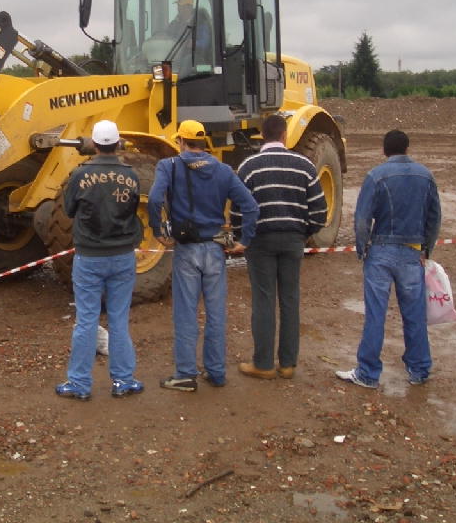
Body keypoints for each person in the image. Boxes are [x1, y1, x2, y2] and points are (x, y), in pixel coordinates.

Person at [148, 119, 259, 391]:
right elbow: (251, 206)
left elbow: (153, 199)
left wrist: (157, 230)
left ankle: (185, 374)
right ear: (203, 142)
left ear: (181, 142)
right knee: (216, 313)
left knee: (186, 313)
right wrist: (244, 240)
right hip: (215, 249)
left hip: (186, 248)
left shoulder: (169, 166)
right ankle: (216, 372)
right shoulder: (222, 170)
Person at [336, 130, 441, 389]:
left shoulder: (376, 175)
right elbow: (434, 217)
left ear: (385, 150)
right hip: (412, 251)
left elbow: (362, 219)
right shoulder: (425, 176)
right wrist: (427, 248)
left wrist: (363, 249)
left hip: (381, 250)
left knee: (375, 315)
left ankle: (368, 373)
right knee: (414, 314)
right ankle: (419, 370)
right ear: (407, 148)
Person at [55, 120, 146, 401]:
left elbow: (69, 210)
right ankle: (123, 380)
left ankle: (80, 384)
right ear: (117, 143)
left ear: (93, 144)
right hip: (122, 256)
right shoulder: (131, 175)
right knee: (119, 320)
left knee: (86, 320)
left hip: (89, 257)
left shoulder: (79, 175)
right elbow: (133, 209)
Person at [233, 114, 328, 379]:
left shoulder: (249, 167)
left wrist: (244, 237)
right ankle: (288, 364)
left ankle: (262, 365)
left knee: (264, 301)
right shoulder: (304, 166)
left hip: (260, 242)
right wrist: (303, 233)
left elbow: (238, 210)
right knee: (290, 300)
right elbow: (320, 210)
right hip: (293, 241)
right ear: (285, 136)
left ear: (262, 136)